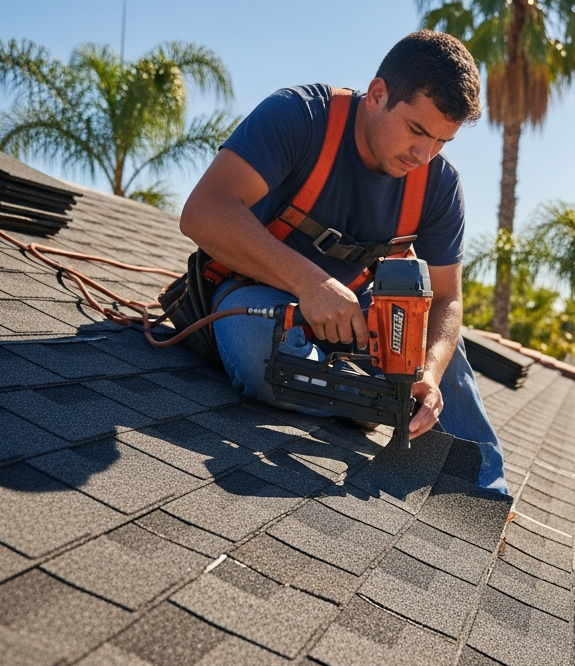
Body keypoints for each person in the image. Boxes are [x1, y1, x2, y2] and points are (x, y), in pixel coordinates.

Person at [180, 31, 507, 493]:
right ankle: (372, 401)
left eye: (441, 141)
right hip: (259, 294)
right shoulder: (299, 116)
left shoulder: (439, 185)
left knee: (436, 351)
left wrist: (428, 373)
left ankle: (482, 493)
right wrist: (310, 284)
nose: (423, 155)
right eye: (417, 131)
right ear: (377, 95)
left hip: (357, 316)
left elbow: (447, 298)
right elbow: (203, 212)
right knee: (258, 351)